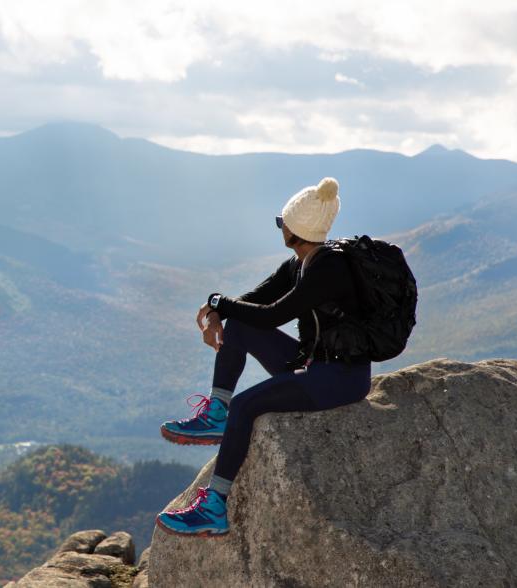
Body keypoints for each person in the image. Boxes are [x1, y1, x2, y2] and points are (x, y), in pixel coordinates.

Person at [155, 177, 373, 537]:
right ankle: (216, 411)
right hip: (314, 363)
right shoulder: (303, 261)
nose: (280, 227)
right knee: (240, 327)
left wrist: (218, 304)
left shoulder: (328, 270)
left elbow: (273, 315)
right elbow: (254, 299)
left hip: (340, 379)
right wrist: (216, 311)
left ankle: (214, 507)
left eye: (281, 222)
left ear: (294, 230)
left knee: (246, 407)